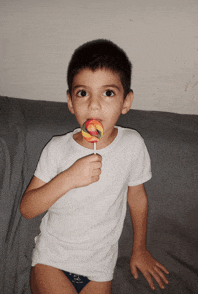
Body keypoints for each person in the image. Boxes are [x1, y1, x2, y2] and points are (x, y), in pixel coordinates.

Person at [20, 39, 169, 294]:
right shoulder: (57, 149)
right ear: (70, 102)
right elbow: (27, 209)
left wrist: (139, 250)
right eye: (83, 93)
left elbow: (137, 199)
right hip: (52, 260)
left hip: (99, 268)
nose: (94, 105)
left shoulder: (132, 145)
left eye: (108, 93)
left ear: (126, 102)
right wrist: (68, 178)